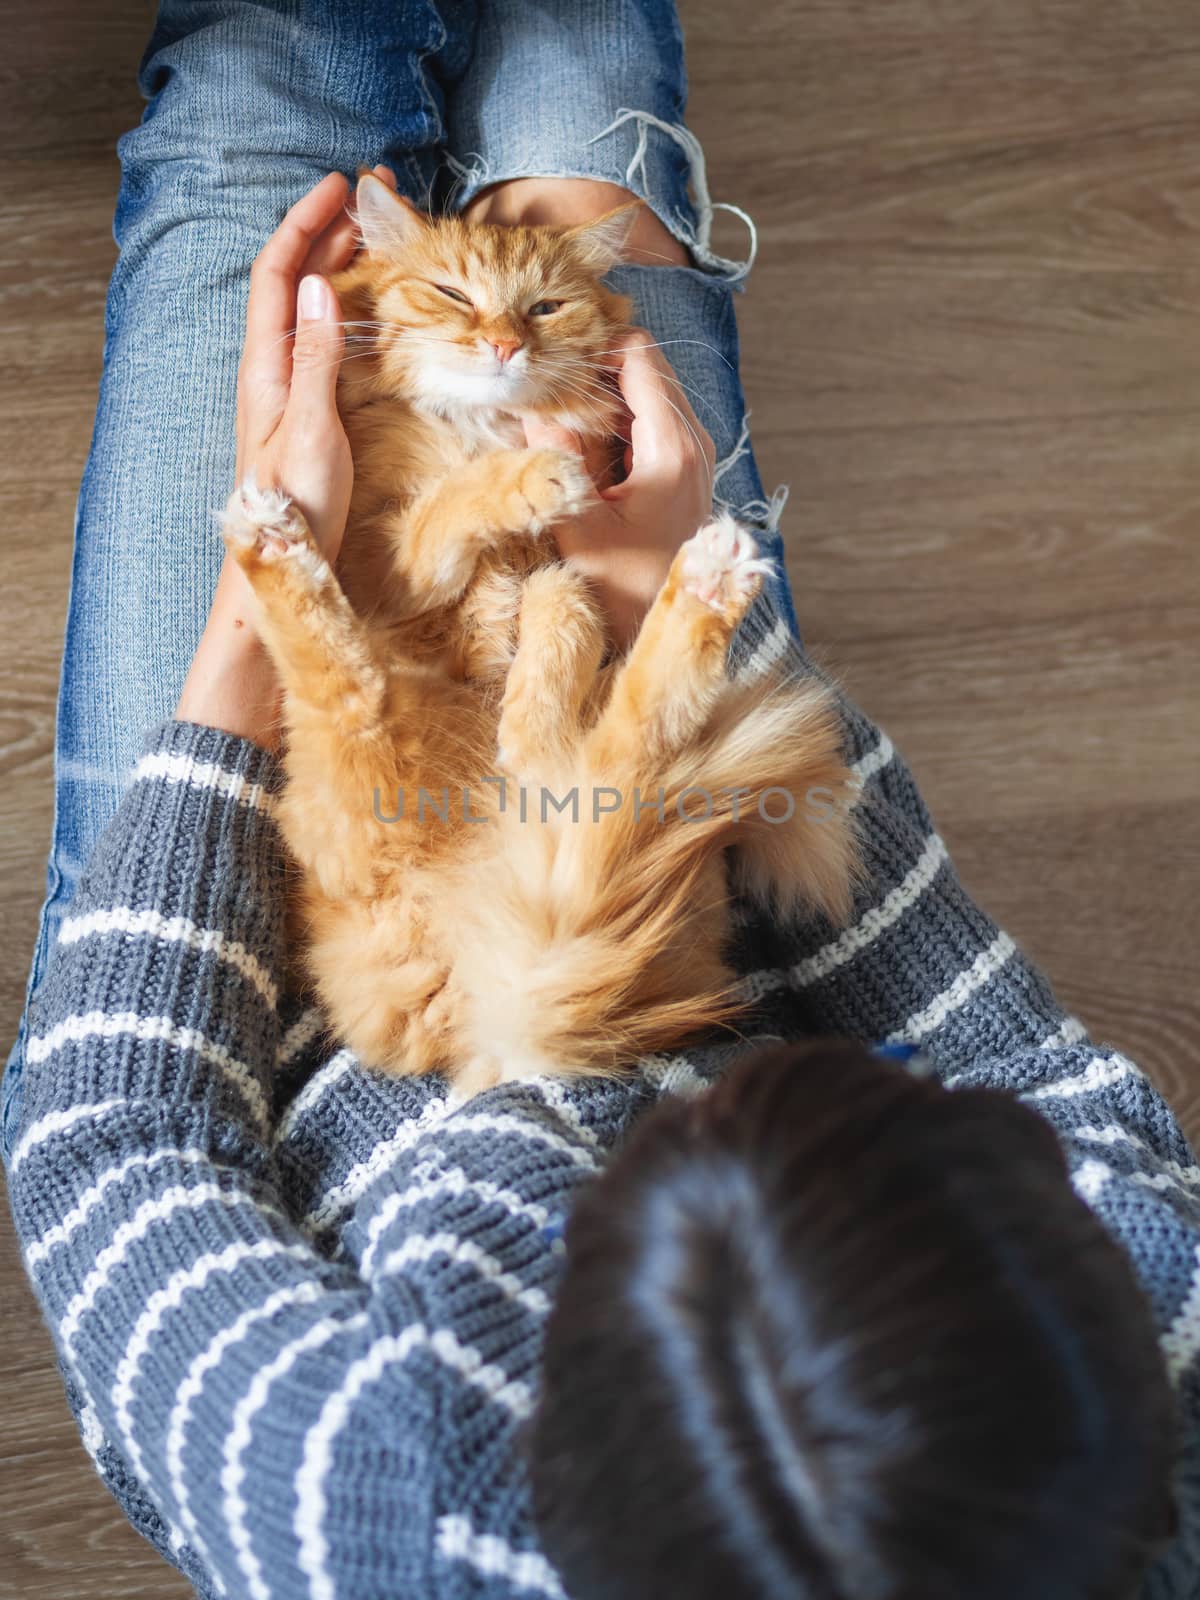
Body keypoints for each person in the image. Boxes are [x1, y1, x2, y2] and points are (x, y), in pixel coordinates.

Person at [3, 3, 1198, 1597]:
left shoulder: (381, 1498)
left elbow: (108, 1145)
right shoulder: (1149, 1343)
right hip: (656, 808)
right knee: (592, 163)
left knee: (261, 160)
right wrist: (669, 625)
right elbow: (1018, 1057)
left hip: (294, 946)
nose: (674, 1088)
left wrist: (261, 595)